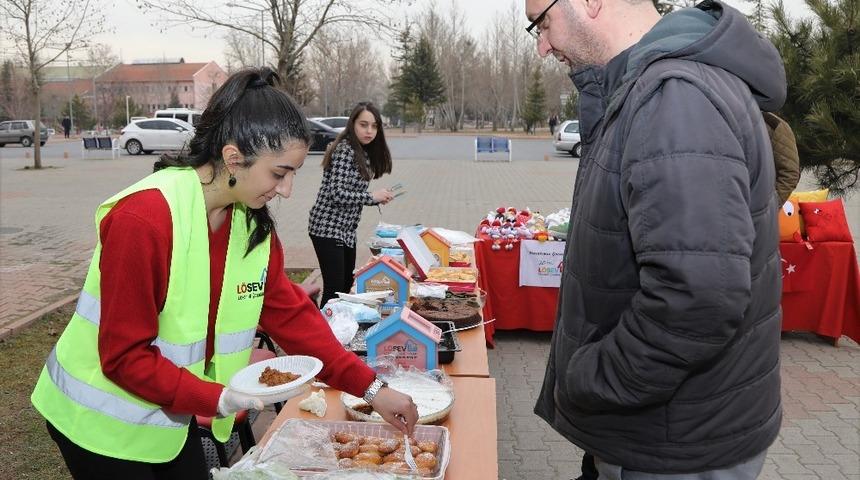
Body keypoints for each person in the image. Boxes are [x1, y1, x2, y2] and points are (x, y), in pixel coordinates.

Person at [30, 68, 418, 480]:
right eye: (279, 173)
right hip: (96, 422)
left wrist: (372, 389)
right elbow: (124, 357)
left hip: (169, 416)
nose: (286, 190)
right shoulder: (144, 220)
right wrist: (218, 398)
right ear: (233, 158)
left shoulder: (249, 226)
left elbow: (294, 320)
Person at [524, 0, 785, 478]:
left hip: (673, 442)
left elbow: (699, 298)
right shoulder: (643, 88)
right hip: (663, 428)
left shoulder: (675, 97)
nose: (542, 45)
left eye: (542, 22)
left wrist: (593, 377)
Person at [308, 102, 394, 308]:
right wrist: (372, 197)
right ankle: (322, 327)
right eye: (363, 125)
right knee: (335, 289)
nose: (369, 131)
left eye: (374, 126)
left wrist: (376, 197)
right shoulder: (345, 150)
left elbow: (352, 192)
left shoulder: (362, 150)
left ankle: (332, 325)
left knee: (346, 285)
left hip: (346, 230)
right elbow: (337, 193)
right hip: (327, 227)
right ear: (353, 124)